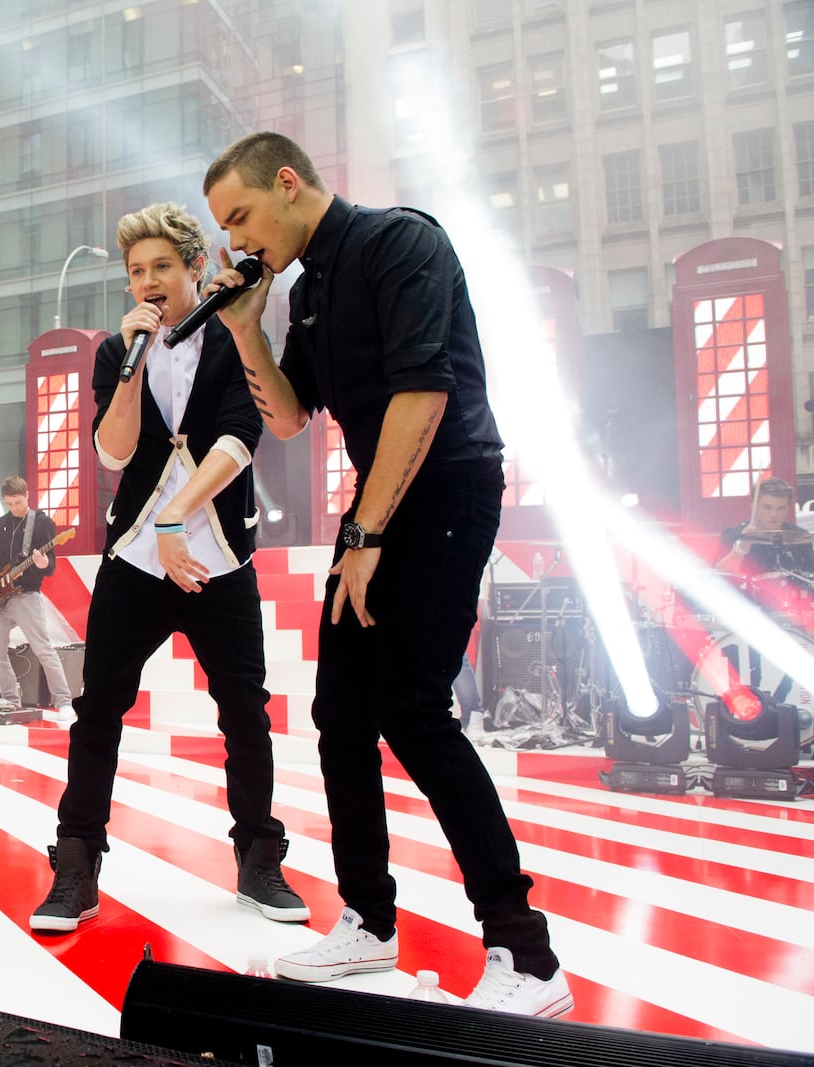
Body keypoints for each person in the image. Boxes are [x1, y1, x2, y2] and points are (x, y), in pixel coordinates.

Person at [201, 132, 569, 1016]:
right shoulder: (306, 289)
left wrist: (365, 531)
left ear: (288, 184)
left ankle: (527, 957)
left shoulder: (400, 241)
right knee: (340, 716)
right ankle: (369, 920)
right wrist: (248, 326)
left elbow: (425, 393)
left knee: (412, 708)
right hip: (378, 506)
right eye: (224, 227)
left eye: (242, 215)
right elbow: (288, 418)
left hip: (444, 489)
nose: (238, 240)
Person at [30, 203, 307, 934]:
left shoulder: (234, 335)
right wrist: (132, 368)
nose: (147, 282)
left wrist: (181, 517)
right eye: (134, 272)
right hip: (136, 559)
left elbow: (242, 438)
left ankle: (256, 856)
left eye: (160, 267)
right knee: (98, 710)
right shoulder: (117, 350)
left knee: (245, 710)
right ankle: (78, 861)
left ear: (194, 267)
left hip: (217, 554)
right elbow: (113, 454)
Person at [0, 476, 74, 719]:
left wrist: (42, 563)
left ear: (27, 495)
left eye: (18, 502)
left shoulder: (42, 524)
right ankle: (11, 700)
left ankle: (63, 701)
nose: (14, 508)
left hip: (27, 596)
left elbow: (50, 566)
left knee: (43, 649)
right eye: (9, 503)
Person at [716, 477, 814, 576]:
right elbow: (720, 576)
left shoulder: (800, 536)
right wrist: (742, 546)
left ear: (788, 508)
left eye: (781, 508)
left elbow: (810, 576)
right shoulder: (733, 534)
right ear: (753, 507)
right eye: (767, 507)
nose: (774, 514)